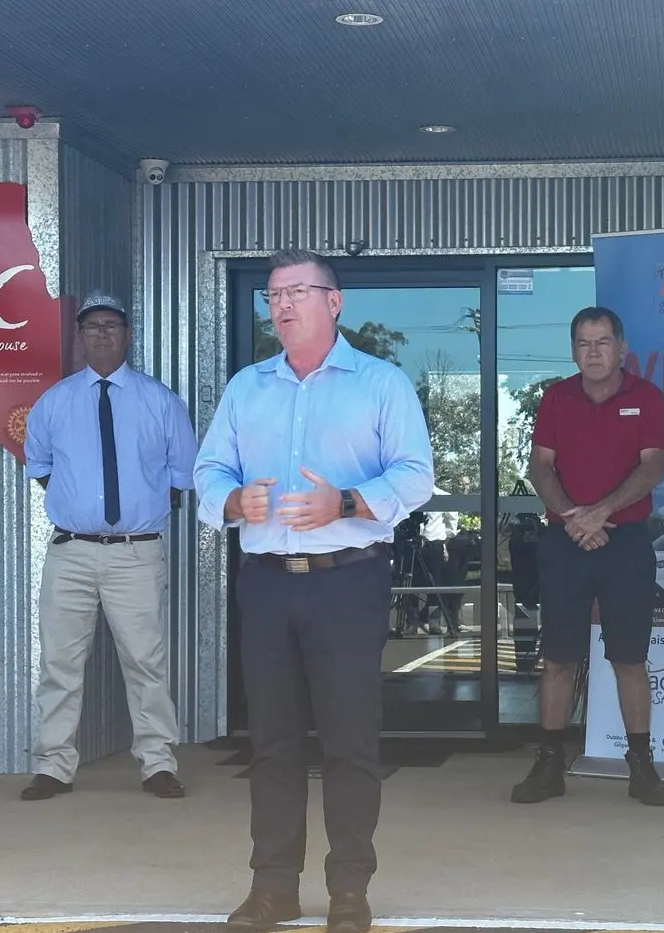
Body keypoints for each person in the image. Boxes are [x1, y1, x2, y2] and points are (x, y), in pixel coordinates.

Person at [194, 249, 434, 933]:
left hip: (348, 582)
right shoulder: (248, 388)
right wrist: (235, 500)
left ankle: (349, 891)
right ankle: (272, 886)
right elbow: (208, 470)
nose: (282, 305)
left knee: (349, 743)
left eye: (298, 291)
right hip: (267, 586)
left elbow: (416, 474)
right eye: (272, 295)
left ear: (335, 302)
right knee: (270, 743)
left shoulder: (380, 383)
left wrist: (349, 502)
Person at [21, 292, 197, 802]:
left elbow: (180, 475)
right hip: (71, 552)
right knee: (59, 663)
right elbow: (41, 468)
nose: (102, 333)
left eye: (112, 326)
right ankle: (54, 766)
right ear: (80, 337)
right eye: (92, 326)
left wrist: (126, 514)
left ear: (127, 335)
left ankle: (158, 764)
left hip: (135, 553)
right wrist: (86, 512)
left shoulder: (160, 401)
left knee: (145, 662)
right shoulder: (55, 401)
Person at [510, 306, 664, 808]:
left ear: (622, 348)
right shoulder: (556, 399)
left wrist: (600, 514)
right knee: (558, 657)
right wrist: (573, 519)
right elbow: (540, 468)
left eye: (603, 342)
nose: (594, 351)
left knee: (629, 658)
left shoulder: (645, 398)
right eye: (584, 343)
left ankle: (642, 767)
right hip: (566, 542)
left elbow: (652, 468)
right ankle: (550, 763)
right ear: (573, 350)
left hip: (624, 542)